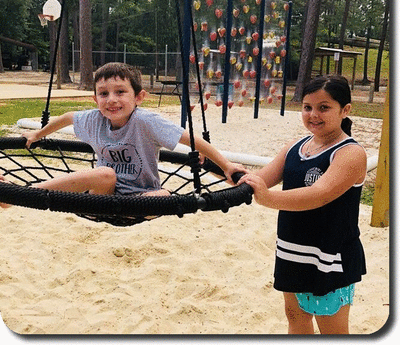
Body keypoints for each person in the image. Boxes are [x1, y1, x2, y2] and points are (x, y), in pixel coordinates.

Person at [1, 62, 246, 211]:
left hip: (141, 200)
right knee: (105, 173)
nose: (112, 100)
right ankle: (23, 194)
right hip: (103, 198)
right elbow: (67, 117)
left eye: (120, 92)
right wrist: (38, 133)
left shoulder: (146, 121)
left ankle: (127, 210)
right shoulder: (94, 119)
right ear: (95, 99)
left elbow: (194, 140)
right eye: (103, 94)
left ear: (139, 97)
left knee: (165, 196)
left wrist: (226, 166)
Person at [237, 75, 367, 334]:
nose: (313, 114)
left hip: (330, 256)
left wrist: (268, 198)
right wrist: (219, 165)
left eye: (324, 107)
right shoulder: (295, 147)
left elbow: (320, 194)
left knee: (333, 330)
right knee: (296, 319)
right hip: (292, 250)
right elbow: (259, 180)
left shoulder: (351, 153)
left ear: (345, 110)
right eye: (307, 107)